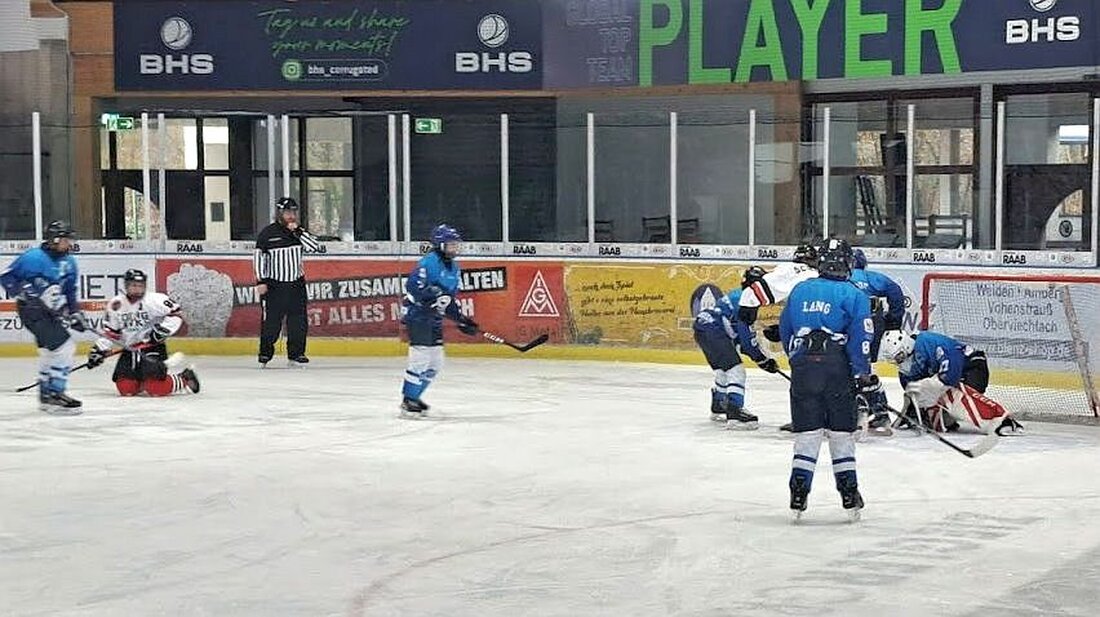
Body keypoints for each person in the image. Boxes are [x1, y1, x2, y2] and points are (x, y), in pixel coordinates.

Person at [779, 238, 876, 521]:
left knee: (807, 435)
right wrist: (861, 373)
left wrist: (799, 361)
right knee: (841, 434)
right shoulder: (855, 294)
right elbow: (861, 338)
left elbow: (786, 330)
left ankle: (798, 494)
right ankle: (849, 494)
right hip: (837, 370)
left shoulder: (800, 289)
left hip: (803, 369)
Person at [0, 220, 87, 414]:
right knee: (65, 348)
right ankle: (55, 393)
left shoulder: (69, 262)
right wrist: (23, 290)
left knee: (50, 351)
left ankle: (46, 395)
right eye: (65, 240)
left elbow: (70, 291)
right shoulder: (32, 257)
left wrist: (75, 313)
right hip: (31, 311)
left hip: (50, 312)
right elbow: (6, 277)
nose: (69, 244)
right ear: (54, 239)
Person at [399, 224, 480, 417]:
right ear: (440, 245)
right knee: (421, 356)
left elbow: (448, 299)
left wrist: (461, 320)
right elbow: (413, 288)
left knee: (436, 362)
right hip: (418, 315)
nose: (455, 248)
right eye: (451, 244)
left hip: (433, 318)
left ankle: (414, 396)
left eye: (456, 245)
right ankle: (408, 399)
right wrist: (430, 296)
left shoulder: (454, 268)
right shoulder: (428, 263)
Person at [879, 330, 1023, 436]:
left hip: (972, 367)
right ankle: (949, 418)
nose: (898, 362)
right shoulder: (905, 371)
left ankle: (1001, 420)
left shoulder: (929, 342)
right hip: (950, 377)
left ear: (906, 345)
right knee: (939, 418)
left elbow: (951, 373)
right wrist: (915, 411)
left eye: (899, 356)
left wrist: (933, 386)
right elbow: (920, 394)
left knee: (950, 393)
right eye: (895, 360)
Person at [85, 269, 200, 397]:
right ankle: (143, 381)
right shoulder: (116, 305)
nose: (137, 289)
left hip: (152, 347)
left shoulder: (155, 300)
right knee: (126, 389)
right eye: (134, 285)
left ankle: (185, 378)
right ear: (126, 285)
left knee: (155, 388)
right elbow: (111, 332)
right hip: (130, 349)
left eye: (140, 285)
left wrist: (162, 331)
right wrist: (98, 350)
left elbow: (176, 313)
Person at [693, 266, 781, 430]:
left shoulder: (738, 295)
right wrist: (762, 360)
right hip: (713, 331)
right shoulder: (747, 301)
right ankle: (735, 412)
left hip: (702, 328)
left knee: (724, 369)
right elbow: (746, 340)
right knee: (736, 370)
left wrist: (758, 356)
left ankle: (720, 404)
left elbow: (737, 333)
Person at [254, 197, 321, 367]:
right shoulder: (268, 233)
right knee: (271, 323)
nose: (291, 216)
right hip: (274, 285)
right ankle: (265, 354)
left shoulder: (299, 232)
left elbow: (315, 247)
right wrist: (260, 281)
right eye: (287, 212)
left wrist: (298, 232)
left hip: (296, 284)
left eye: (293, 212)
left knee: (298, 322)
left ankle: (296, 355)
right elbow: (259, 258)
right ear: (279, 214)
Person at [849, 248, 906, 432]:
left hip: (852, 325)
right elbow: (895, 291)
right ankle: (879, 411)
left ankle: (858, 411)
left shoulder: (841, 278)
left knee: (849, 367)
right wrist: (894, 319)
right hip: (873, 323)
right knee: (866, 366)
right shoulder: (872, 277)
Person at [737, 241, 820, 327]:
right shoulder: (814, 273)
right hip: (800, 308)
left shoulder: (785, 265)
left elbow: (768, 277)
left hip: (749, 299)